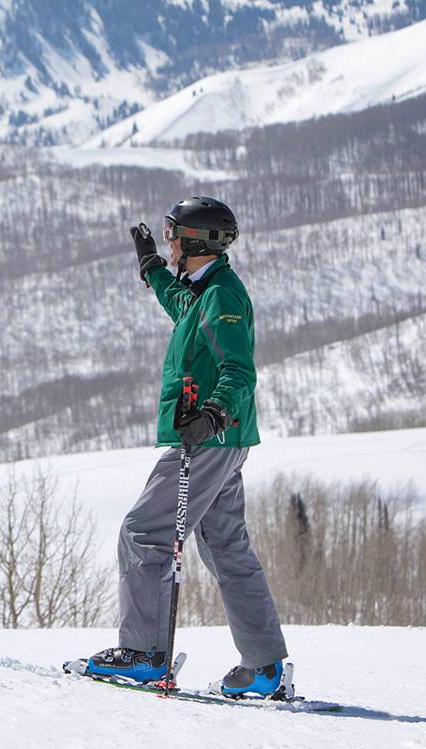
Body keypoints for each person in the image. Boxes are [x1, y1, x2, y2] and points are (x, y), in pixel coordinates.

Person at [82, 196, 291, 698]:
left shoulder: (223, 296)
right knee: (225, 546)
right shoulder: (204, 291)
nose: (169, 240)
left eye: (173, 234)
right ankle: (263, 667)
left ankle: (144, 655)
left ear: (197, 240)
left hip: (206, 439)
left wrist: (213, 414)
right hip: (220, 437)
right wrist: (152, 268)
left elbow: (240, 369)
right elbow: (181, 304)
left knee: (143, 532)